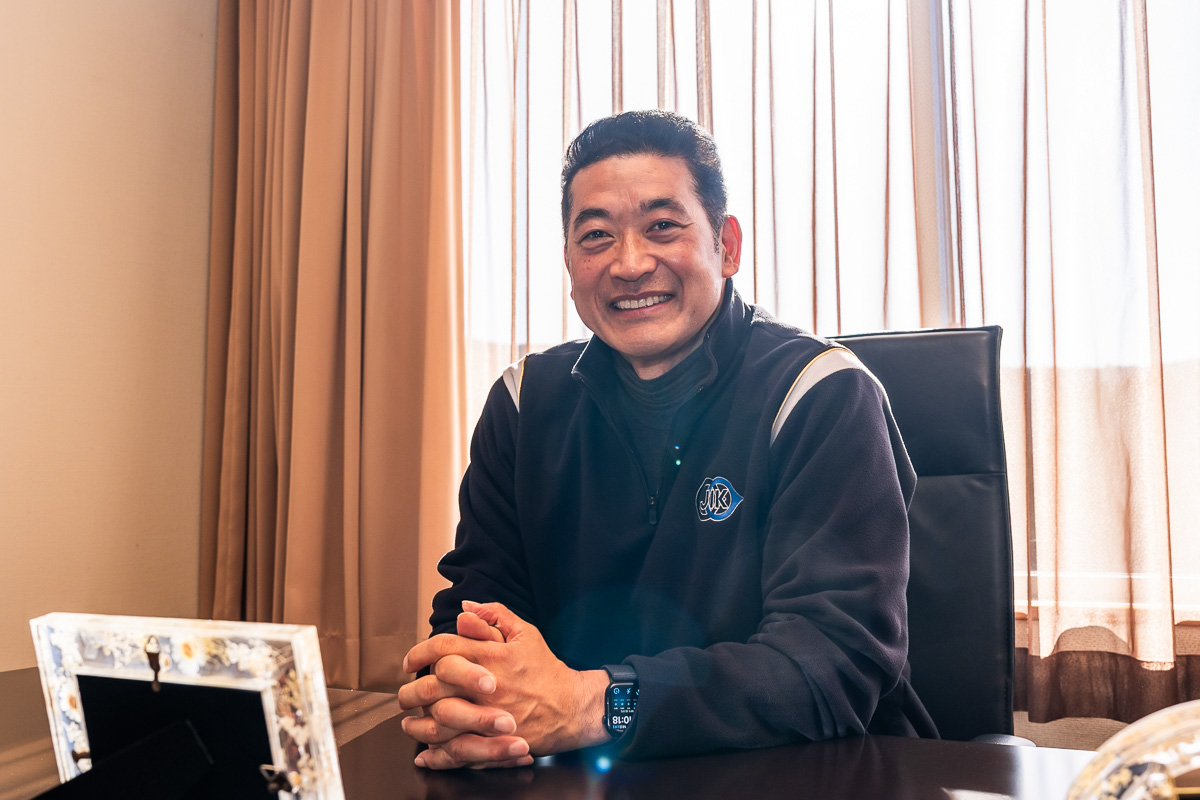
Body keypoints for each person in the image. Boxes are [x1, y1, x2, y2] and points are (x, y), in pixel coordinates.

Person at [397, 109, 937, 770]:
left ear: (726, 246)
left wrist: (597, 705)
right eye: (596, 236)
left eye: (662, 227)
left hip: (805, 776)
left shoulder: (819, 395)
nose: (629, 264)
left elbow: (829, 664)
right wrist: (469, 695)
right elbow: (477, 615)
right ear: (569, 262)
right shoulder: (523, 403)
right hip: (581, 774)